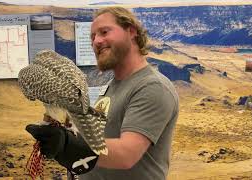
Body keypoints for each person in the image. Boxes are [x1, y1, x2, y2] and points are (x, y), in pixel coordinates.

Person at [26, 6, 179, 180]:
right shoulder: (112, 86)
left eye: (104, 32)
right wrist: (66, 132)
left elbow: (126, 155)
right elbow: (100, 138)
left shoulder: (152, 87)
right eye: (92, 37)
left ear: (131, 32)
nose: (96, 41)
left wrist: (67, 144)